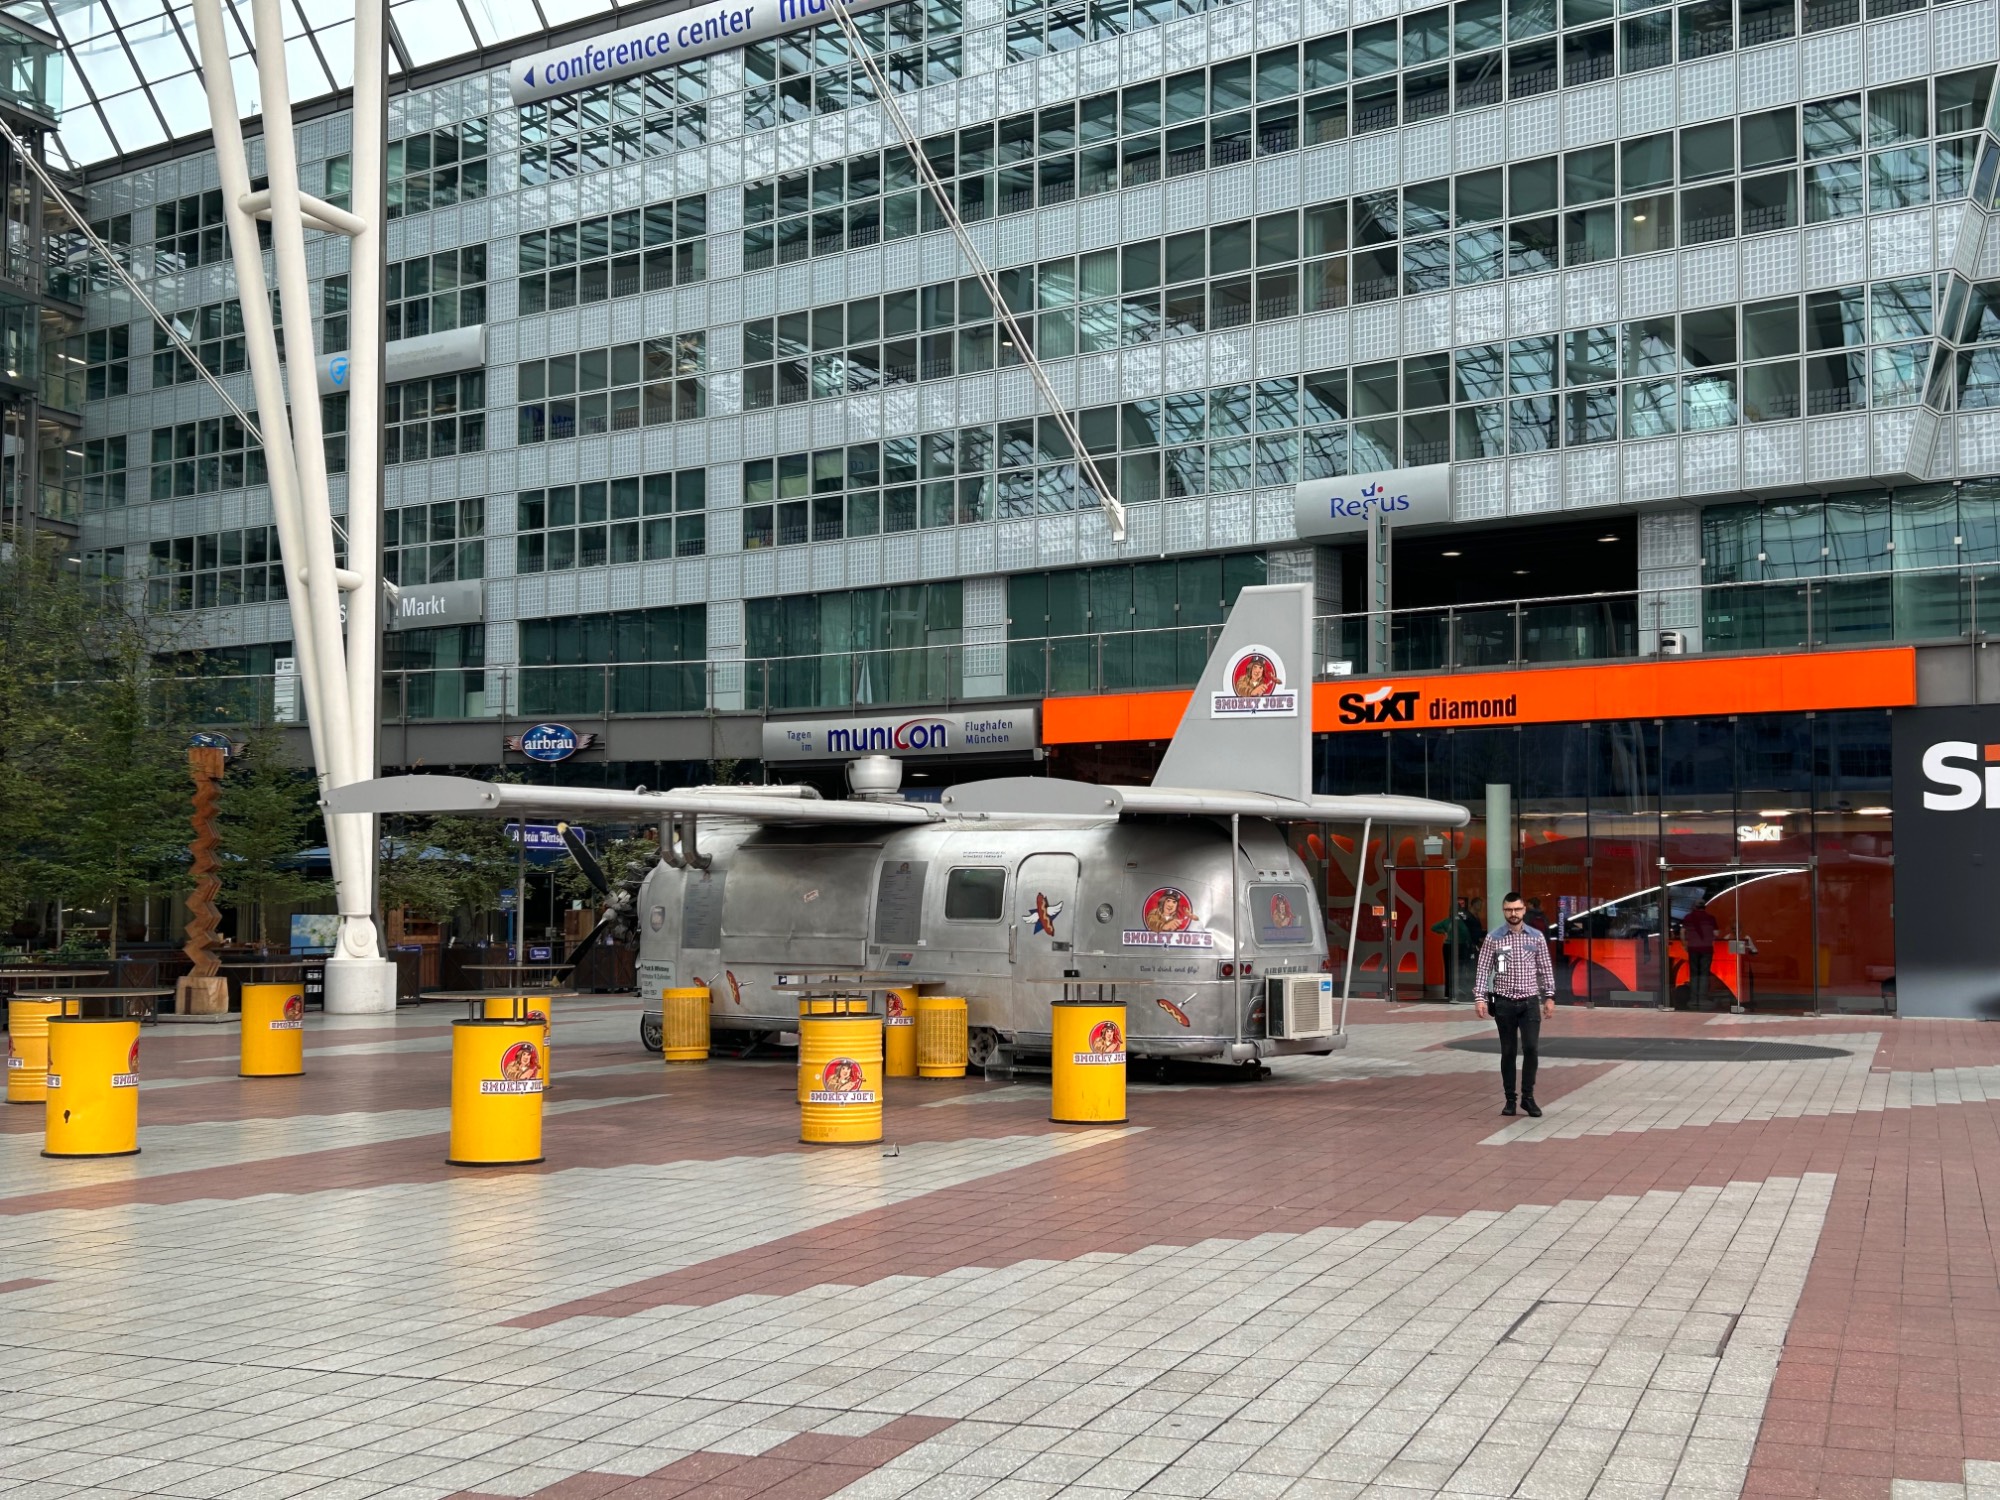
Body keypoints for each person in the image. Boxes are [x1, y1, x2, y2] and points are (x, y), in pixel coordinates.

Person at [1474, 891, 1557, 1117]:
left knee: (1531, 1048)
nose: (1513, 913)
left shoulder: (1536, 937)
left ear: (1524, 910)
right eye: (1509, 910)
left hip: (1529, 1002)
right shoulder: (1494, 938)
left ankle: (1528, 1098)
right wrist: (1480, 998)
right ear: (1504, 911)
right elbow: (1483, 969)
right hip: (1504, 1003)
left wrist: (1549, 996)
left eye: (1517, 909)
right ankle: (1510, 1099)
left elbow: (1545, 968)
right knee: (1508, 1051)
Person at [1680, 895, 1720, 1009]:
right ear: (1704, 907)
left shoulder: (1688, 917)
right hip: (1706, 949)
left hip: (1693, 948)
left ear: (1695, 907)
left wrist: (1685, 945)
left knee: (1694, 974)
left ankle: (1693, 999)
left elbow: (1682, 932)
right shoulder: (1710, 918)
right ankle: (1702, 998)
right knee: (1704, 974)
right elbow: (1716, 934)